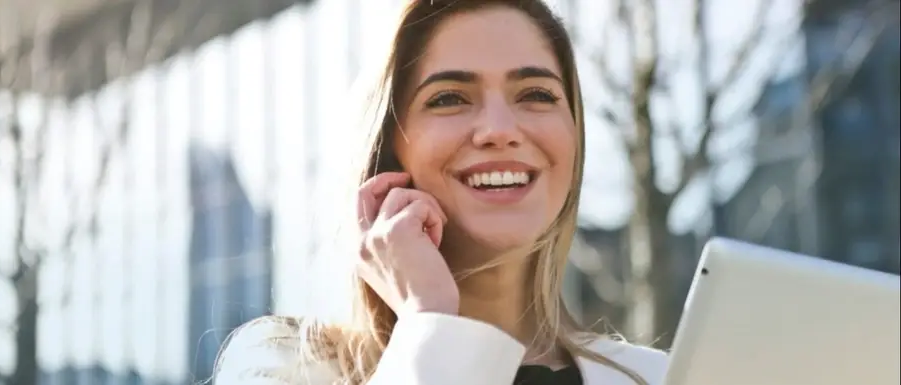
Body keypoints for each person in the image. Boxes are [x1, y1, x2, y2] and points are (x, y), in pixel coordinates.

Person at [214, 1, 668, 384]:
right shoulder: (282, 367)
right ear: (390, 148)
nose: (500, 130)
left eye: (536, 93)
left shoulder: (660, 377)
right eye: (449, 97)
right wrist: (429, 323)